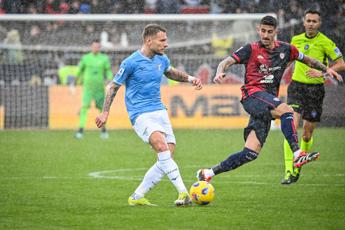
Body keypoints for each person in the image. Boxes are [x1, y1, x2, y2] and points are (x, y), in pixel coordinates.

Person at [196, 16, 343, 183]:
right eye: (263, 31)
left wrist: (327, 70)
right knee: (287, 111)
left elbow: (309, 60)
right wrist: (219, 72)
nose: (265, 35)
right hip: (252, 96)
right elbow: (226, 61)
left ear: (276, 32)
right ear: (258, 30)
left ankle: (208, 173)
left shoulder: (287, 49)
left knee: (250, 153)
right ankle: (297, 154)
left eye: (269, 32)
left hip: (266, 102)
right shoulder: (250, 49)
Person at [95, 24, 202, 206]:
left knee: (167, 155)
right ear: (148, 40)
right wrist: (105, 113)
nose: (165, 44)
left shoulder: (162, 59)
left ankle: (137, 197)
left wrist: (191, 79)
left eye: (166, 40)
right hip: (140, 113)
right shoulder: (131, 62)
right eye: (162, 40)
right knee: (162, 148)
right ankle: (184, 193)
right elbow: (113, 86)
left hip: (159, 111)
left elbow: (170, 73)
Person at [281, 9, 345, 184]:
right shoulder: (296, 40)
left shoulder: (325, 42)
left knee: (307, 134)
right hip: (296, 88)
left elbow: (341, 63)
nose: (310, 24)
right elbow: (289, 60)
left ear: (319, 24)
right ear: (303, 22)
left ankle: (298, 166)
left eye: (314, 21)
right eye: (308, 20)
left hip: (315, 91)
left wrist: (322, 74)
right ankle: (288, 171)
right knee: (291, 128)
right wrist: (278, 74)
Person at [75, 39, 113, 139]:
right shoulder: (86, 58)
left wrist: (110, 79)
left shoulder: (104, 58)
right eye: (94, 46)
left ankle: (104, 131)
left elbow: (108, 70)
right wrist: (75, 79)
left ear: (99, 47)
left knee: (102, 109)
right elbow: (80, 70)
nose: (96, 48)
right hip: (88, 88)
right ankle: (80, 130)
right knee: (84, 108)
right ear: (92, 47)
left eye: (97, 46)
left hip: (99, 88)